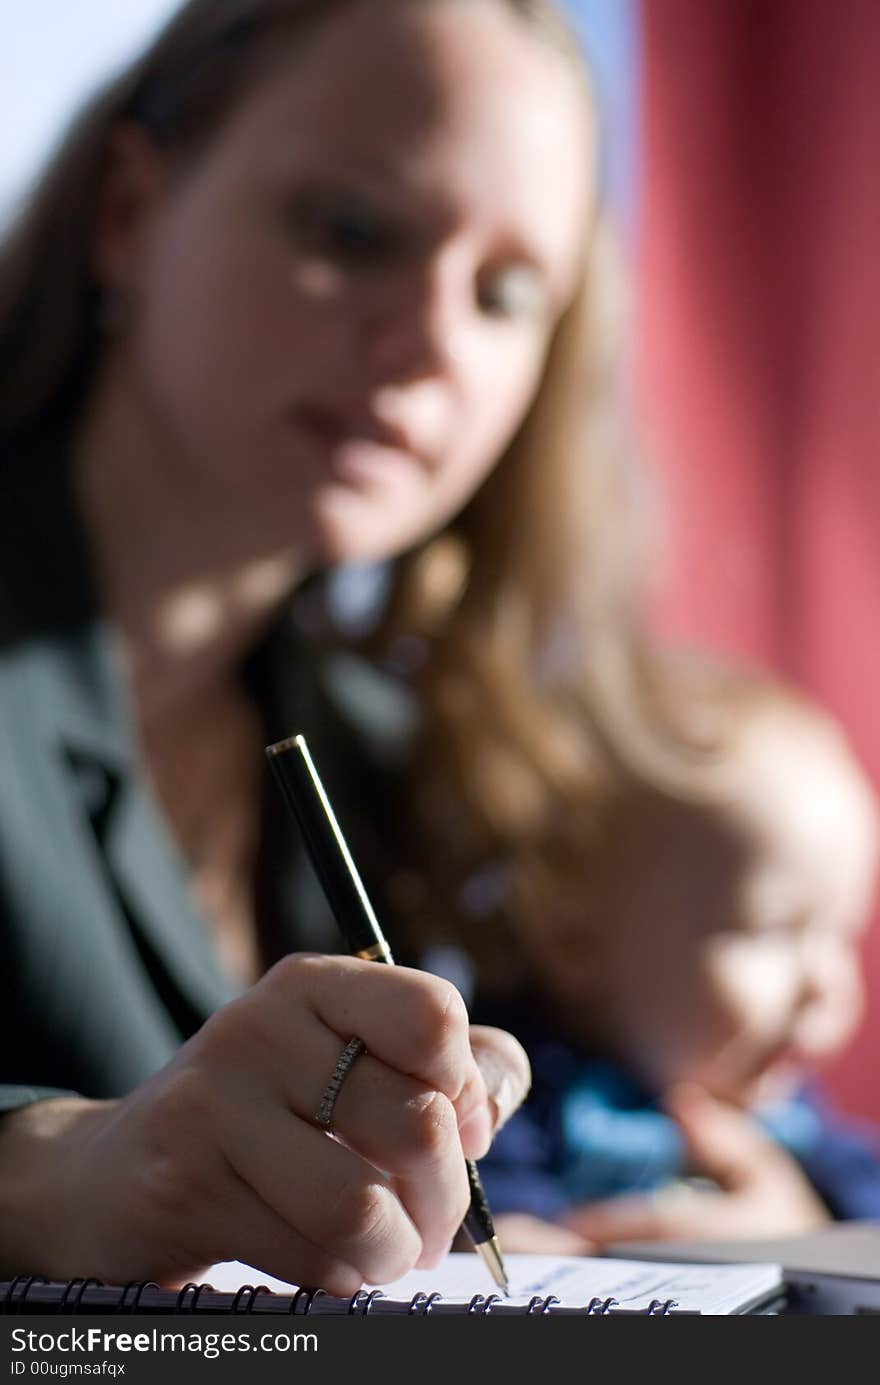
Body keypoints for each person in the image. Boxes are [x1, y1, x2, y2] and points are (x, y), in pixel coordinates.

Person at [0, 0, 652, 1291]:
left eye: (507, 293)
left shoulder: (394, 750)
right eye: (354, 232)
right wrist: (53, 1168)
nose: (431, 343)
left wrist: (717, 1181)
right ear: (131, 212)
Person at [462, 662, 880, 1251]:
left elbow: (865, 1203)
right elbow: (474, 1211)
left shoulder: (787, 1116)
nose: (825, 985)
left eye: (843, 932)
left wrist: (812, 1220)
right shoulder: (515, 1097)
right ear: (574, 938)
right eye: (775, 930)